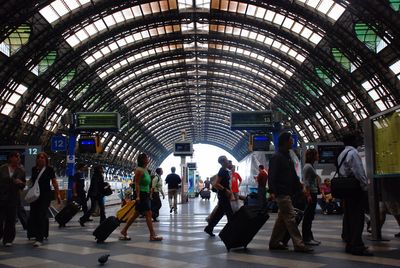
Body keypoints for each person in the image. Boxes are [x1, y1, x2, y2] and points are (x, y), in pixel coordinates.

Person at [268, 132, 313, 253]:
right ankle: (299, 244)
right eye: (291, 140)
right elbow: (272, 176)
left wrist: (299, 189)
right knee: (290, 218)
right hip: (281, 192)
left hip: (287, 192)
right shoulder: (277, 157)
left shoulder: (287, 157)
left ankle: (274, 242)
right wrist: (272, 191)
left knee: (282, 219)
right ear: (285, 141)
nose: (293, 142)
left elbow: (293, 176)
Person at [338, 133, 373, 256]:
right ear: (352, 141)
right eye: (357, 139)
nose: (358, 142)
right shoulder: (353, 153)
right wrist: (365, 187)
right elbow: (359, 172)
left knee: (348, 217)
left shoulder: (342, 154)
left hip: (346, 189)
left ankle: (350, 243)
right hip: (355, 189)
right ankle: (357, 245)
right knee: (358, 217)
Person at [120, 153, 162, 241]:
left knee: (136, 214)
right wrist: (138, 196)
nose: (148, 159)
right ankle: (152, 235)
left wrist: (149, 194)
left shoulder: (145, 169)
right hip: (141, 195)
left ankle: (124, 230)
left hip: (145, 194)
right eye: (146, 158)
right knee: (148, 213)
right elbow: (137, 183)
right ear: (142, 160)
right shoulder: (139, 170)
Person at [27, 152, 61, 247]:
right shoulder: (34, 169)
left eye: (42, 158)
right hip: (35, 196)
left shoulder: (50, 169)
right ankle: (35, 233)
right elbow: (32, 181)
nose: (40, 159)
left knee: (41, 215)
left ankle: (39, 238)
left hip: (45, 196)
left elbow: (54, 182)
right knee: (34, 214)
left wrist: (58, 194)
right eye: (39, 158)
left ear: (46, 160)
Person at [0, 151, 26, 247]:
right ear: (11, 158)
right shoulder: (2, 169)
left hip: (13, 198)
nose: (18, 159)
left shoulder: (21, 171)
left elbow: (23, 186)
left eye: (19, 157)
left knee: (11, 219)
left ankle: (8, 239)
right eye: (17, 157)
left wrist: (20, 183)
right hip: (1, 197)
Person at [204, 155, 233, 237]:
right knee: (230, 214)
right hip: (223, 195)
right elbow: (216, 184)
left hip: (224, 195)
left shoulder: (225, 170)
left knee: (219, 213)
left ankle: (209, 228)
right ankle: (232, 232)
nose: (228, 162)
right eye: (227, 160)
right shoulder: (222, 171)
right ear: (223, 162)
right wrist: (225, 190)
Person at [302, 148, 321, 246]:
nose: (318, 156)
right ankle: (306, 238)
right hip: (310, 194)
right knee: (308, 217)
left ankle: (310, 237)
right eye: (316, 154)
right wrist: (308, 195)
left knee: (310, 216)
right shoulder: (308, 167)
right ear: (312, 156)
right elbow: (306, 182)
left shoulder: (310, 166)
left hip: (312, 193)